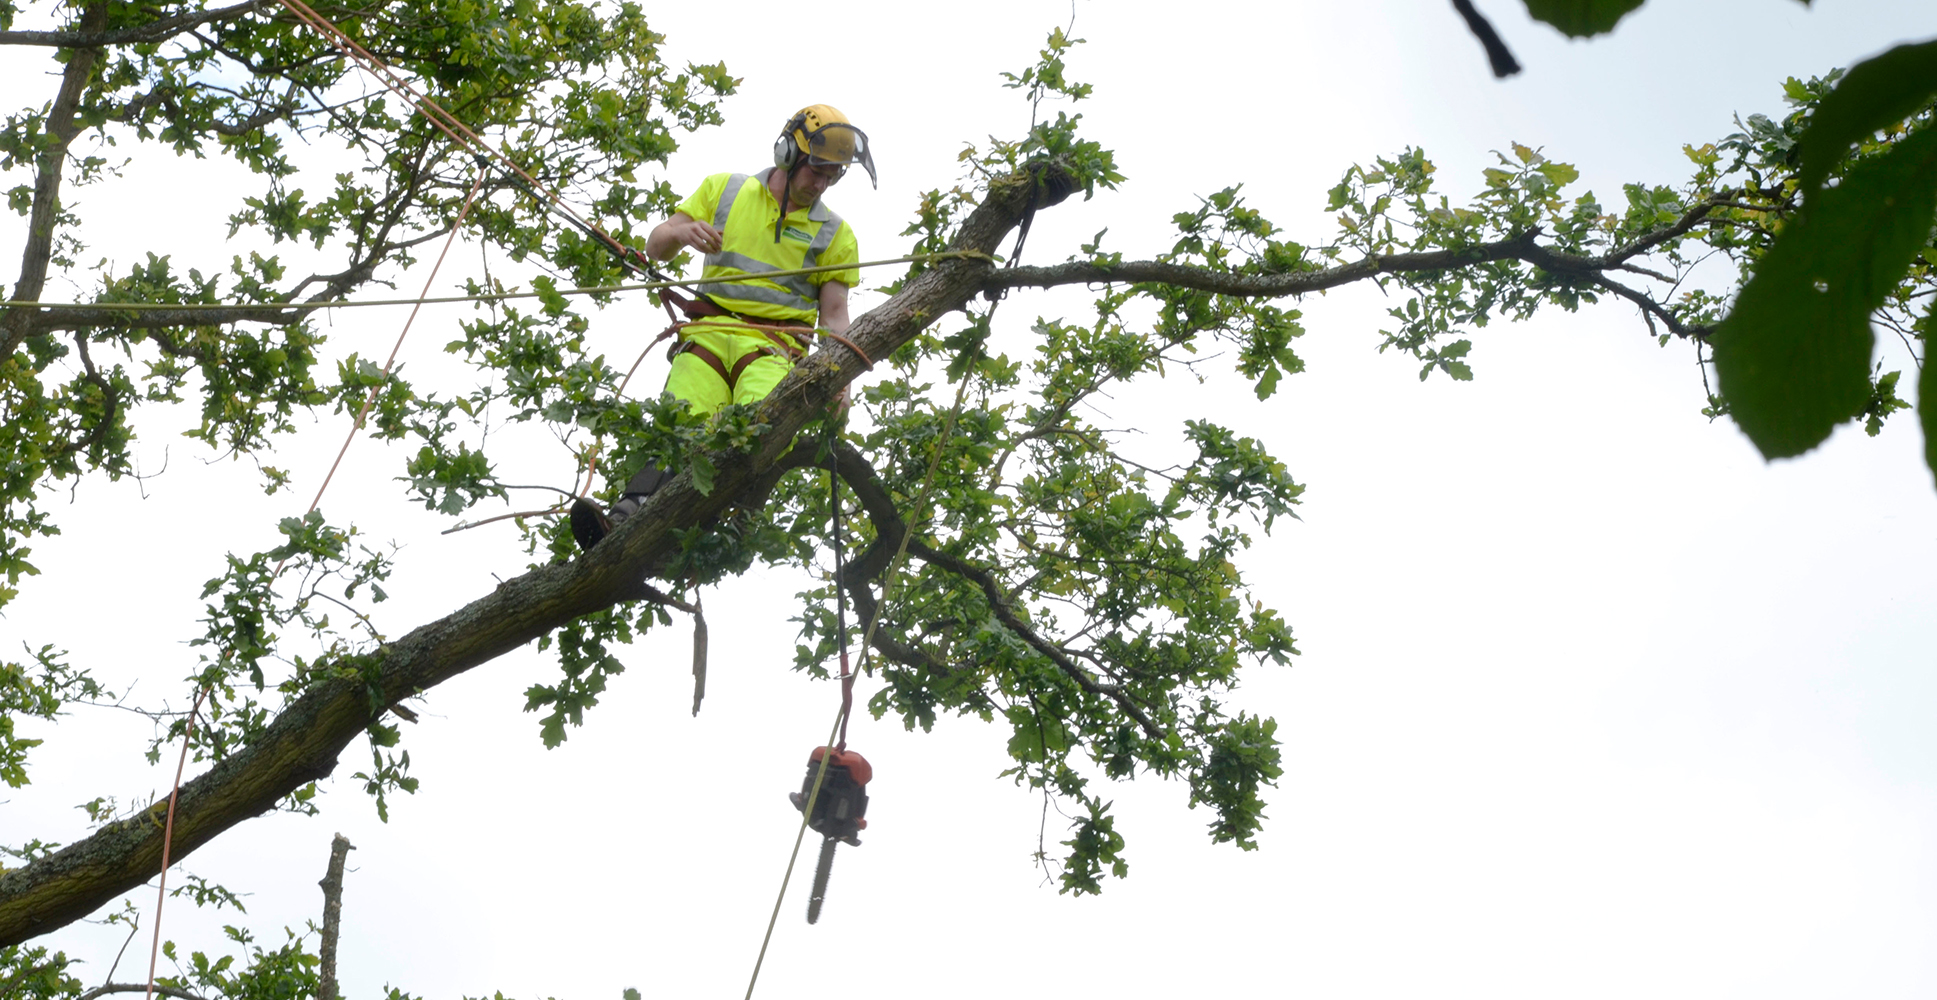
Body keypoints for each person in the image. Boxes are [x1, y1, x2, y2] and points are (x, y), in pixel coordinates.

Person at [571, 104, 876, 552]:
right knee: (679, 428)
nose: (821, 184)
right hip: (706, 339)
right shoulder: (725, 191)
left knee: (757, 430)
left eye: (832, 177)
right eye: (816, 170)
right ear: (788, 154)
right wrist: (684, 232)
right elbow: (655, 247)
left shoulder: (834, 233)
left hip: (774, 351)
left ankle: (707, 531)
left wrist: (840, 384)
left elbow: (834, 316)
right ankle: (624, 519)